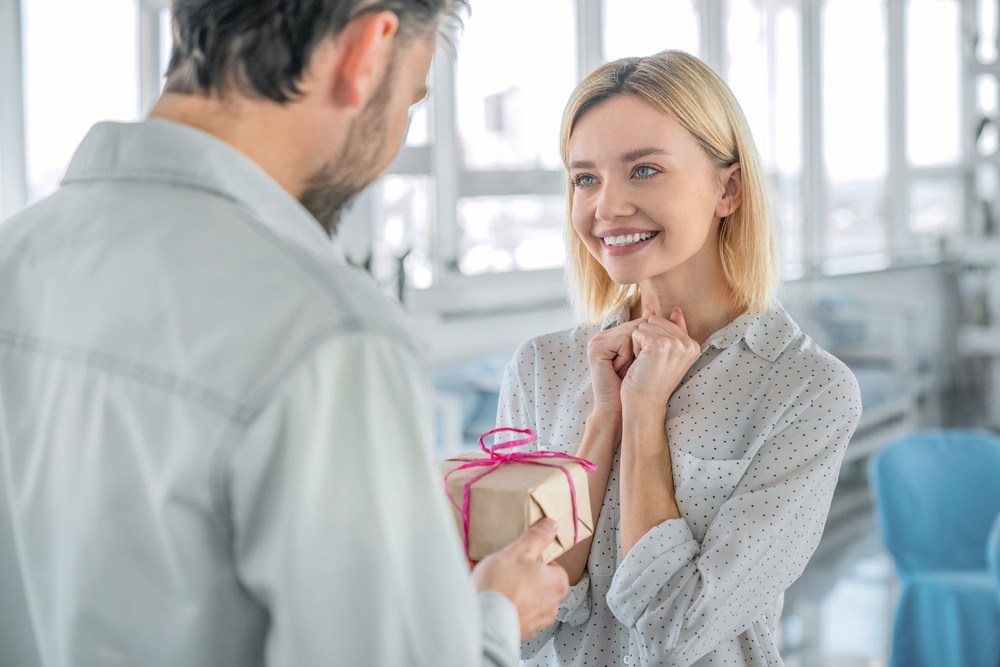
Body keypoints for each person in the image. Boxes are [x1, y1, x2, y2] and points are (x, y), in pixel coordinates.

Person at [0, 1, 569, 666]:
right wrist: (495, 619)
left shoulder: (18, 256)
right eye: (411, 102)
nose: (393, 145)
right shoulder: (328, 332)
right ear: (366, 50)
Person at [494, 50, 863, 666]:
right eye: (585, 178)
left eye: (643, 170)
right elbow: (513, 628)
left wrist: (644, 417)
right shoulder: (542, 369)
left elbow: (676, 629)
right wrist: (604, 421)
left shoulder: (806, 390)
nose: (606, 207)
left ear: (728, 188)